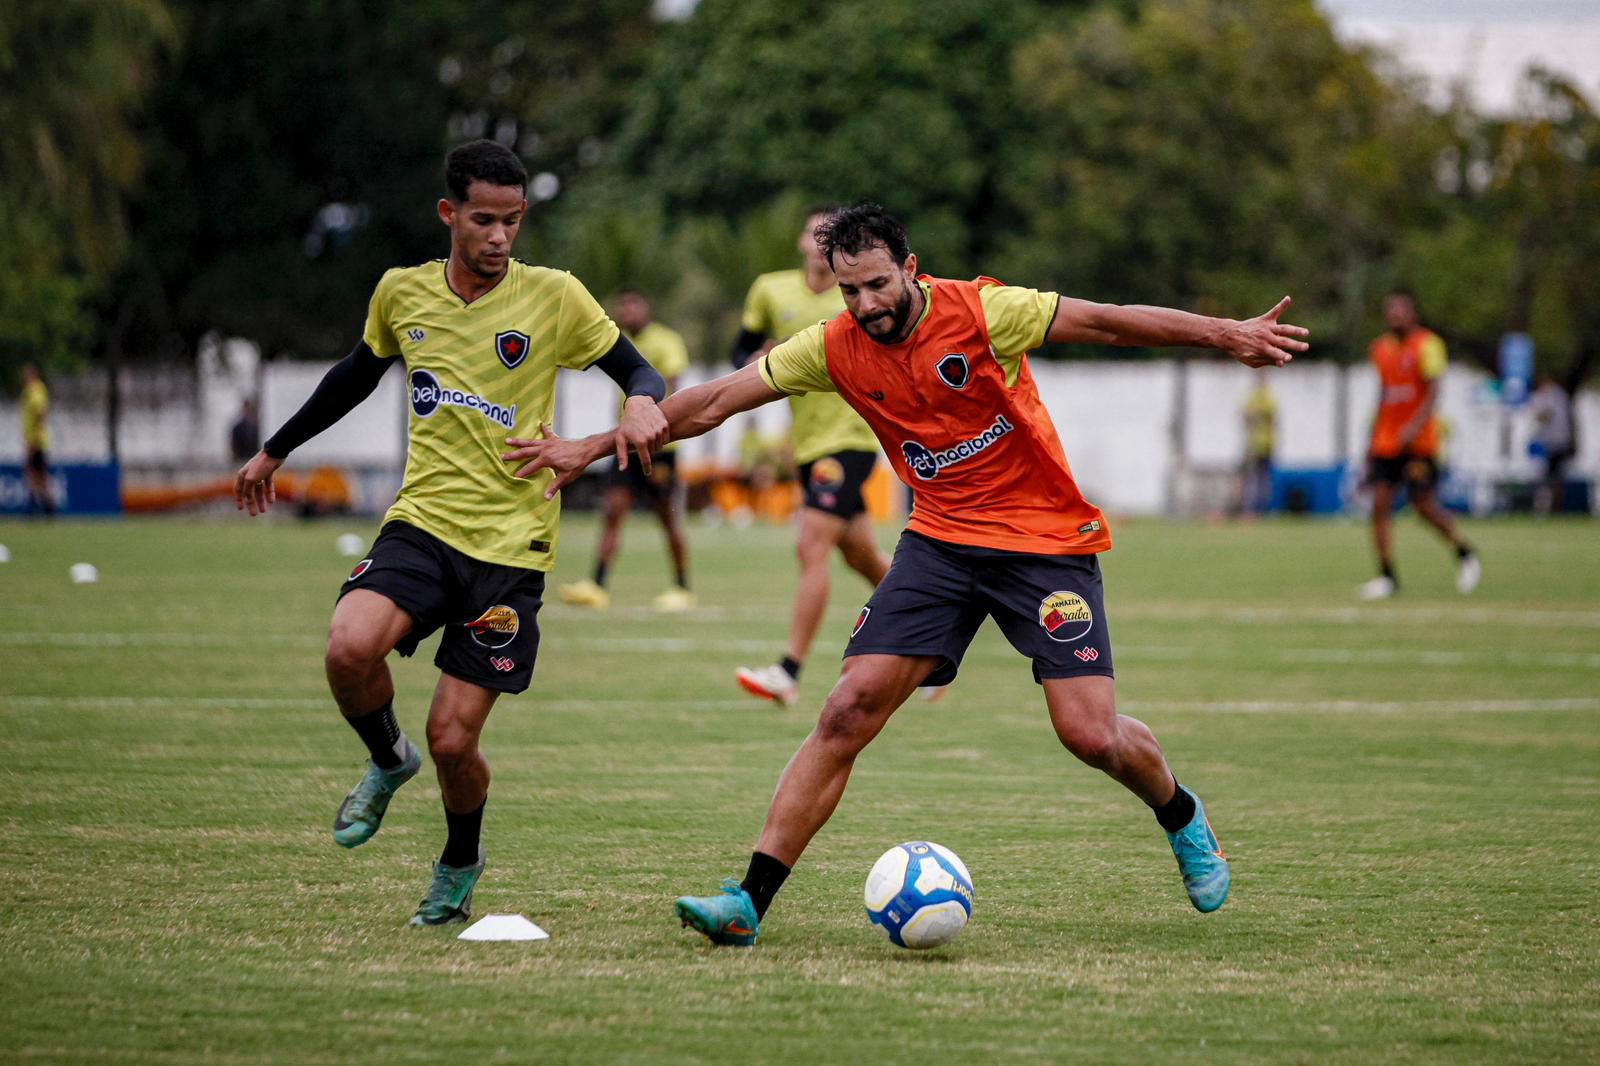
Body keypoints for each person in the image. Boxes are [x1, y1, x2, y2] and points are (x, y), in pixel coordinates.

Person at [502, 203, 1309, 944]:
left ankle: (1181, 813)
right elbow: (715, 402)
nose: (865, 305)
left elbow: (1110, 322)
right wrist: (590, 447)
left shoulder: (984, 311)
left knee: (1089, 733)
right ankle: (748, 900)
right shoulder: (834, 345)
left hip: (1043, 540)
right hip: (941, 542)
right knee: (848, 708)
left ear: (911, 267)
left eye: (878, 284)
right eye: (849, 290)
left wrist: (1225, 334)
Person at [233, 140, 667, 927]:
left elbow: (639, 372)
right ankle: (383, 758)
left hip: (510, 550)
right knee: (346, 649)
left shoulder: (557, 297)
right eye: (484, 220)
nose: (500, 237)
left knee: (454, 742)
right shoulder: (402, 294)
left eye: (513, 221)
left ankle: (460, 858)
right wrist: (275, 449)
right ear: (449, 214)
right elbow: (356, 375)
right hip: (422, 525)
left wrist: (640, 402)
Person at [729, 207, 894, 708]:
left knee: (812, 545)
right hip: (806, 441)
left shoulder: (860, 297)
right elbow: (741, 352)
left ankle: (788, 671)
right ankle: (940, 623)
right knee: (860, 553)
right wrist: (758, 362)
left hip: (852, 438)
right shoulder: (770, 290)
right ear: (802, 241)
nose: (819, 241)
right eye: (813, 231)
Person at [560, 290, 695, 612]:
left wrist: (658, 417)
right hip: (627, 444)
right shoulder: (618, 342)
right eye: (623, 307)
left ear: (645, 308)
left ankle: (682, 587)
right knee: (612, 511)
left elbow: (674, 382)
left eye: (633, 305)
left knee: (667, 518)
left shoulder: (665, 340)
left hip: (661, 445)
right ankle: (597, 585)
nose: (628, 312)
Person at [1358, 290, 1479, 600]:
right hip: (1387, 442)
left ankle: (1464, 552)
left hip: (1419, 443)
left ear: (1413, 314)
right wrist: (1371, 440)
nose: (1395, 316)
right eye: (1390, 310)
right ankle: (1387, 576)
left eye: (1401, 310)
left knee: (1423, 507)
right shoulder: (1380, 349)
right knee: (1379, 506)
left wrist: (1412, 427)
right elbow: (1384, 394)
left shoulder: (1428, 344)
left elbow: (1433, 391)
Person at [1527, 373, 1575, 516]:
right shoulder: (1561, 395)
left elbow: (1544, 415)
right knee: (1555, 477)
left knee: (1550, 477)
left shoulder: (1551, 396)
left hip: (1553, 443)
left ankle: (1552, 508)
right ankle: (1554, 507)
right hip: (1559, 441)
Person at [19, 364, 55, 517]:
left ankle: (44, 506)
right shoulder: (36, 390)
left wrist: (34, 438)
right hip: (36, 439)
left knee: (36, 475)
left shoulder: (34, 390)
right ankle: (42, 506)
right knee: (36, 474)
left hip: (36, 441)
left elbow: (40, 412)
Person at [1239, 374, 1275, 517]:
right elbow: (1244, 415)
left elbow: (1272, 417)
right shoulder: (1253, 398)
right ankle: (1248, 508)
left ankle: (1261, 508)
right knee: (1250, 478)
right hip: (1252, 445)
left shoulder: (1268, 399)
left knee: (1263, 478)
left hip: (1265, 444)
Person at [229, 399, 261, 464]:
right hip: (241, 458)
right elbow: (234, 444)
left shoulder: (254, 427)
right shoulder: (238, 427)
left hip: (252, 458)